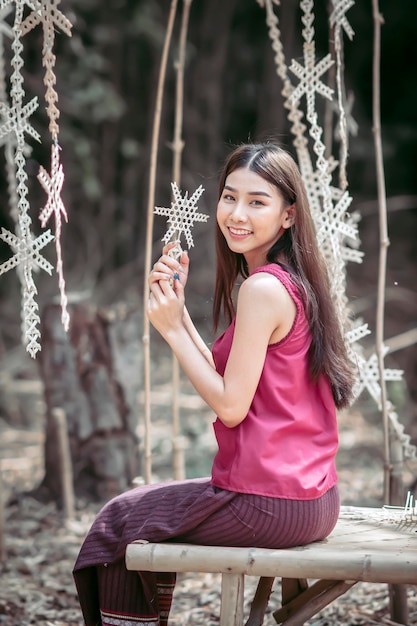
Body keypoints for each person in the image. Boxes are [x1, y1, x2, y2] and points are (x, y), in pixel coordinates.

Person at [73, 142, 355, 626]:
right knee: (129, 513)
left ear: (289, 215)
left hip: (269, 503)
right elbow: (234, 382)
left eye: (257, 201)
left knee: (117, 523)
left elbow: (230, 407)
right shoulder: (288, 280)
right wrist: (178, 318)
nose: (236, 214)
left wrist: (168, 332)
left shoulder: (262, 288)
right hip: (311, 499)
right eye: (229, 197)